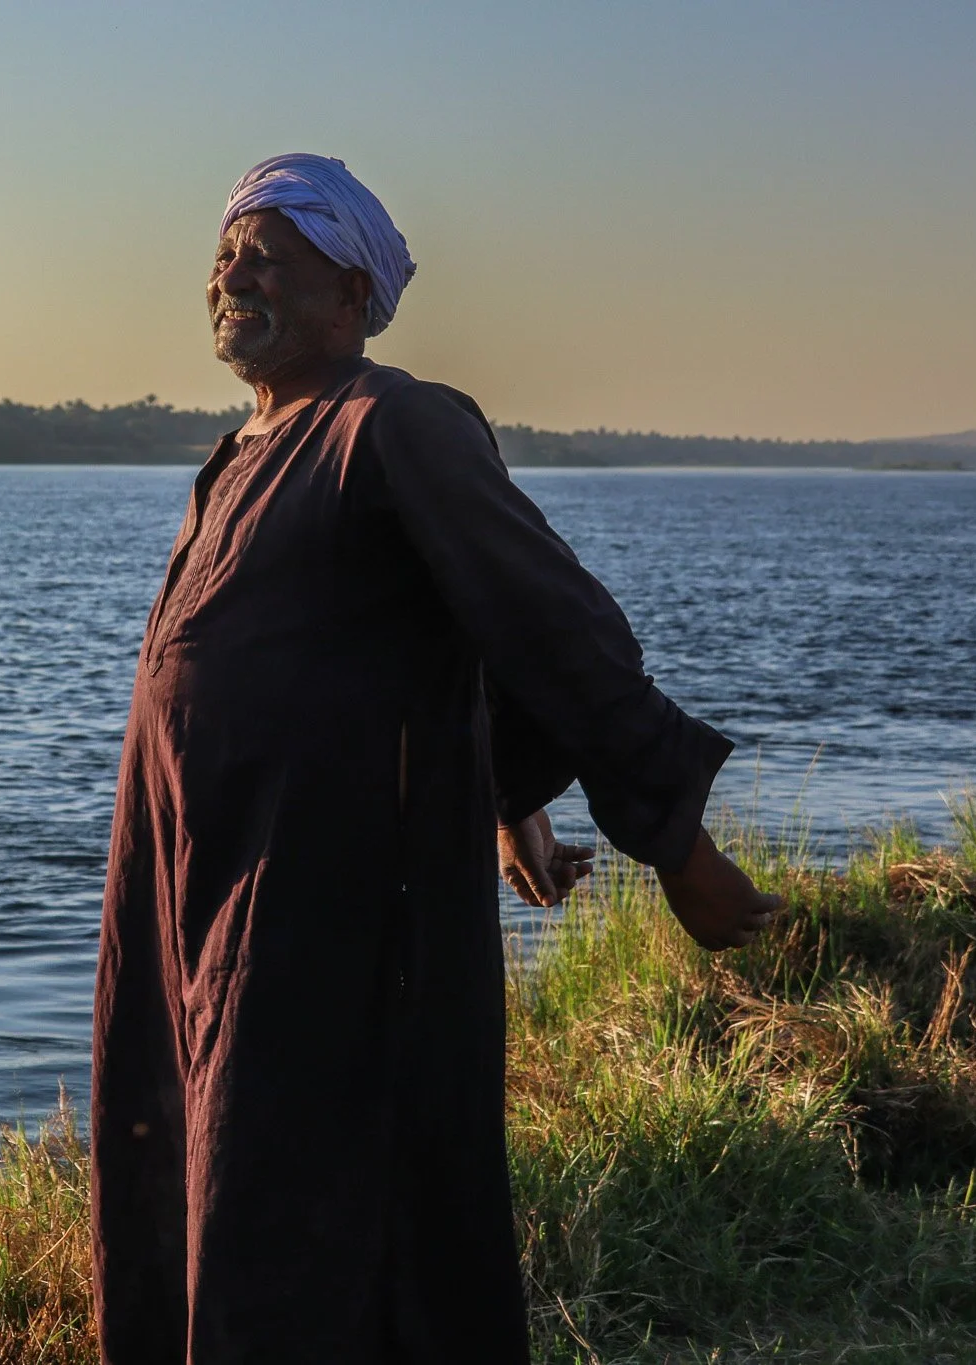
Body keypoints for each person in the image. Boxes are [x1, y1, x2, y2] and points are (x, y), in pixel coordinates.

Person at [90, 153, 779, 1364]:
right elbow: (436, 653)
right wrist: (512, 805)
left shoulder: (391, 422)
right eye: (222, 254)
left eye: (267, 252)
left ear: (351, 292)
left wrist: (677, 849)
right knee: (187, 1175)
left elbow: (548, 626)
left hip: (325, 926)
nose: (229, 274)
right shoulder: (240, 450)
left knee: (314, 1213)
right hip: (187, 903)